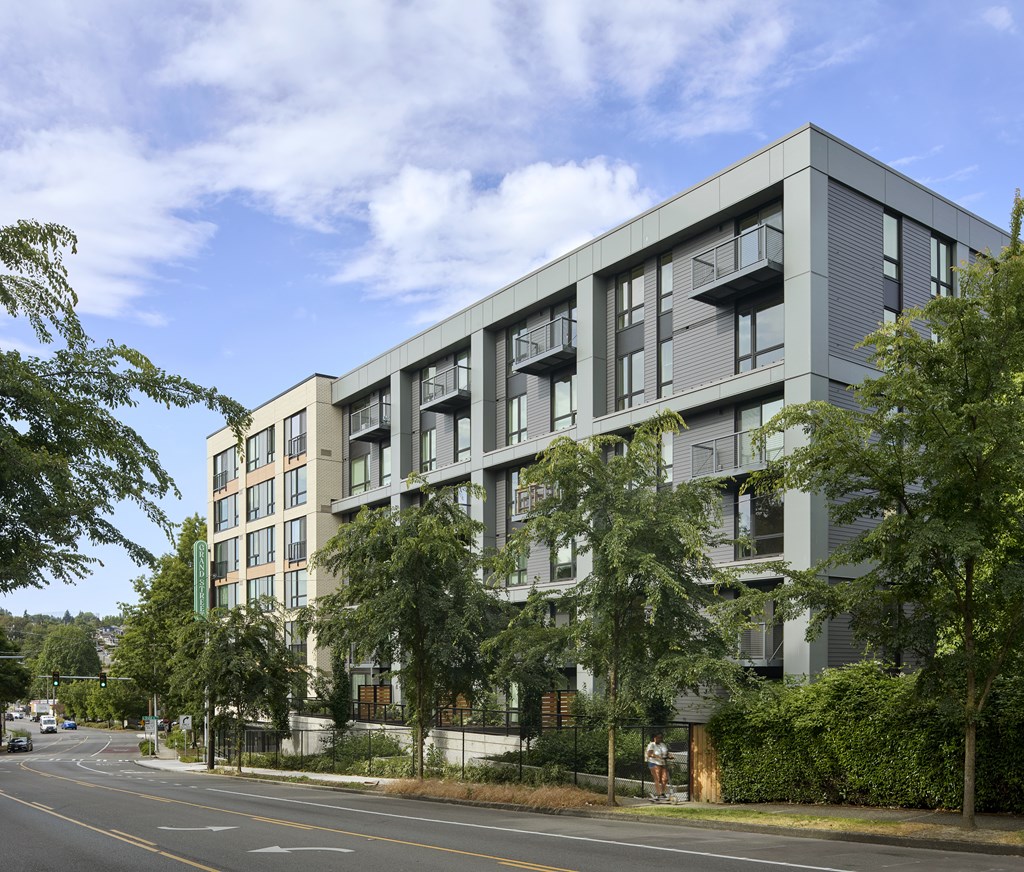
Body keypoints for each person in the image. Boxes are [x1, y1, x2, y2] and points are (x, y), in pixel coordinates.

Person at [645, 731, 671, 800]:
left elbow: (666, 753)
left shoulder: (663, 745)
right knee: (657, 778)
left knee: (665, 779)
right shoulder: (651, 745)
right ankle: (659, 794)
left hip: (662, 763)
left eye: (661, 737)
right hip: (653, 763)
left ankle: (662, 793)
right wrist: (658, 757)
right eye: (658, 737)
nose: (660, 739)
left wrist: (670, 756)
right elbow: (649, 754)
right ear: (654, 738)